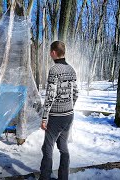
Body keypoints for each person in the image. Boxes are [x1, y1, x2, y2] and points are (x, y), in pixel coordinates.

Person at [39, 41, 78, 180]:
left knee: (47, 148)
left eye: (50, 51)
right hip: (69, 116)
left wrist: (44, 118)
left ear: (54, 52)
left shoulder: (54, 70)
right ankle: (63, 177)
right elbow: (76, 93)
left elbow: (50, 95)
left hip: (56, 117)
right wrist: (68, 106)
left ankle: (44, 177)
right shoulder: (72, 69)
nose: (50, 54)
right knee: (63, 147)